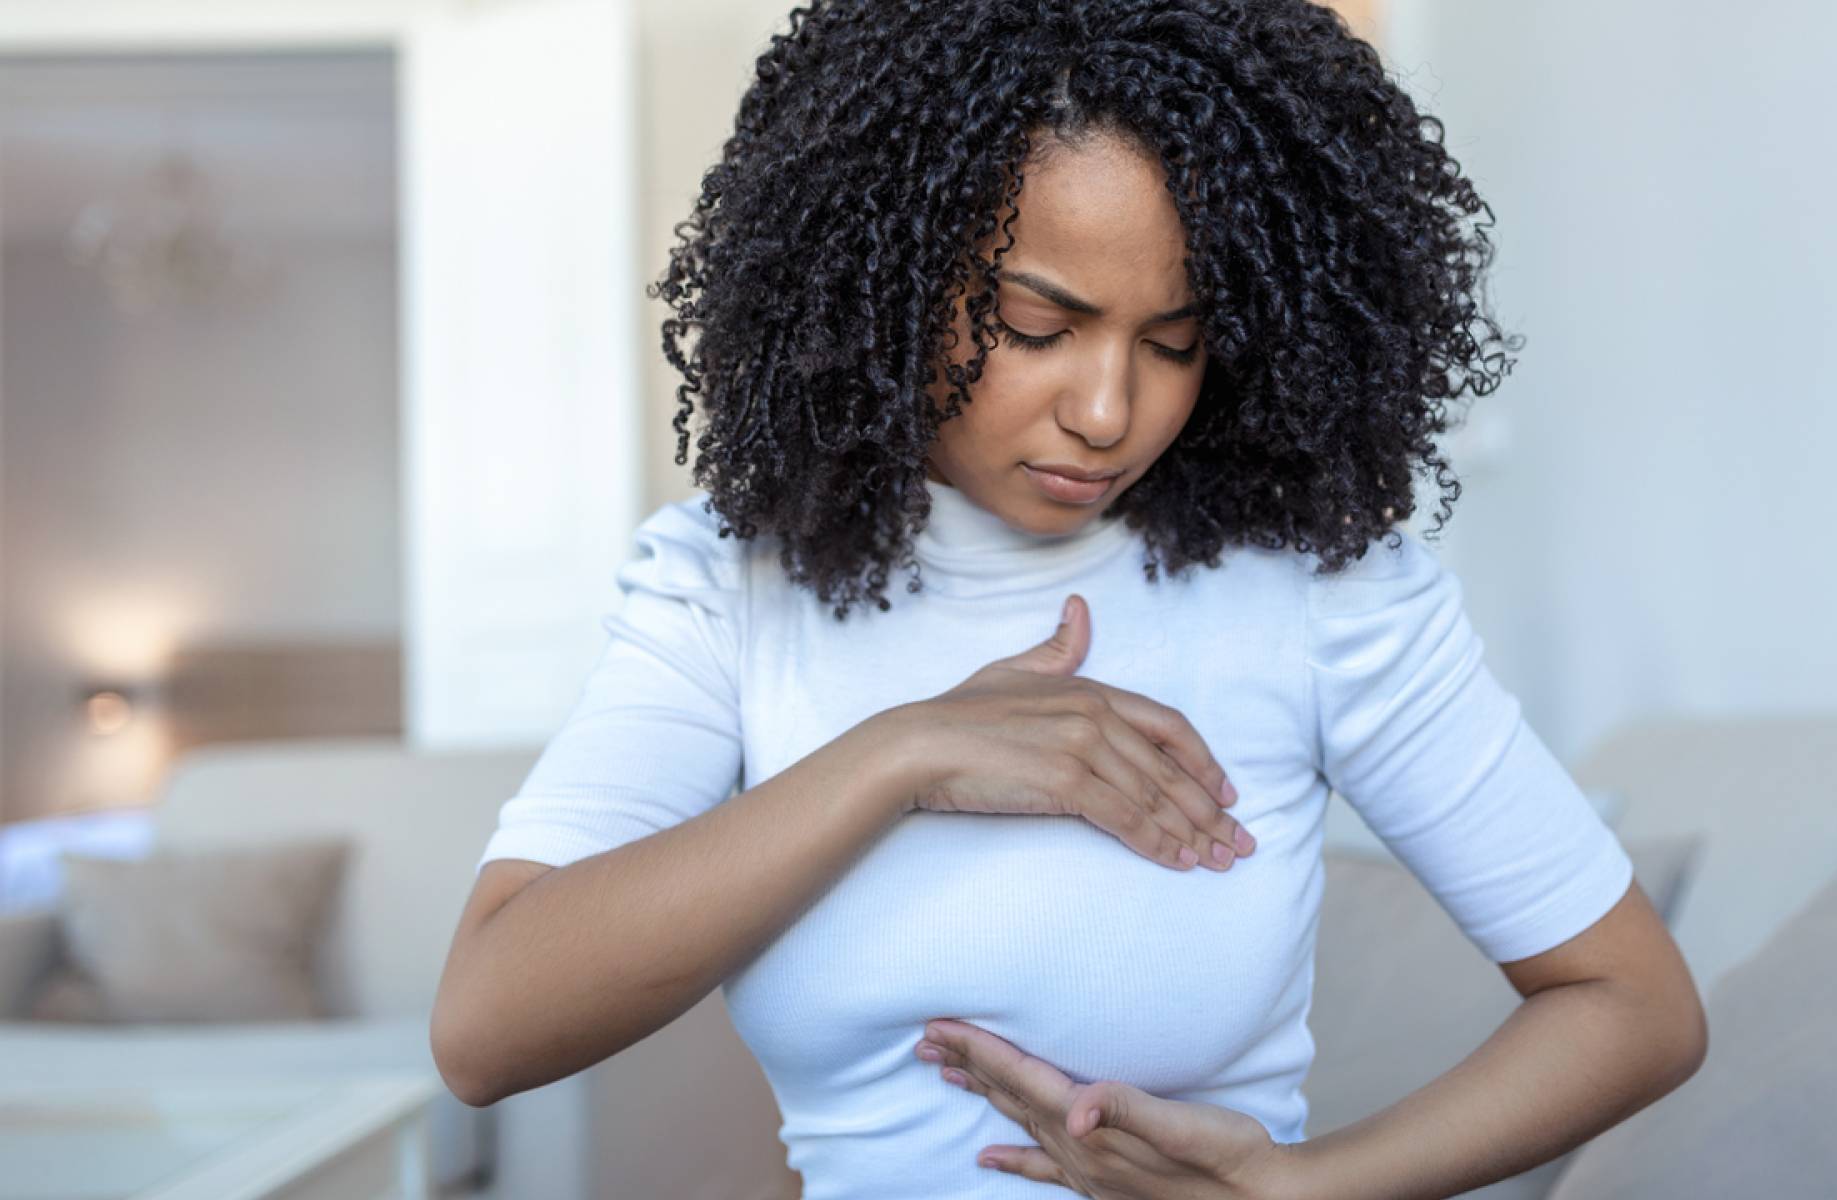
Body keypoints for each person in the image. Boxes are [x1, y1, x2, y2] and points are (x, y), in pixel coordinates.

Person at [431, 2, 1708, 1196]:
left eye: (1172, 341)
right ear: (883, 276)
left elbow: (1632, 1004)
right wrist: (906, 751)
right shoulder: (728, 586)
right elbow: (487, 1029)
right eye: (1035, 328)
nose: (1108, 413)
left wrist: (1303, 1188)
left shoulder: (1319, 591)